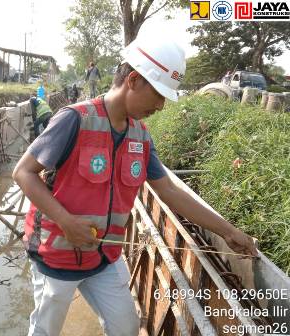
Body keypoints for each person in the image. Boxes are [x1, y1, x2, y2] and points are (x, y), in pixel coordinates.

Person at [13, 30, 258, 336]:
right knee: (46, 330)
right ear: (133, 81)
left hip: (103, 257)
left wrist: (229, 231)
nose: (160, 107)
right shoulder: (74, 119)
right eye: (158, 94)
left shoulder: (140, 137)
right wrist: (65, 221)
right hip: (58, 256)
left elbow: (168, 191)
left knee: (126, 326)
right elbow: (23, 173)